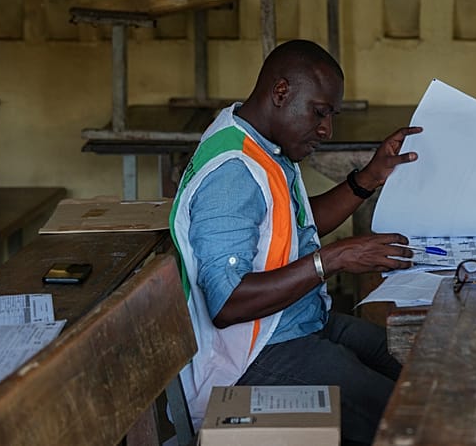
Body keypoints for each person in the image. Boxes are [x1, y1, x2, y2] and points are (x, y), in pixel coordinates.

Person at [169, 39, 423, 444]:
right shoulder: (233, 172)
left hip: (296, 325)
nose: (327, 129)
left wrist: (369, 178)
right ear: (281, 92)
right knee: (408, 419)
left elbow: (292, 227)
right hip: (248, 361)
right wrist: (333, 259)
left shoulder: (257, 142)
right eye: (320, 113)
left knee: (424, 366)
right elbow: (227, 302)